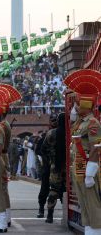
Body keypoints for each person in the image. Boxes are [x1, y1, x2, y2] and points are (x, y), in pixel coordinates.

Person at [65, 69, 101, 234]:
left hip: (86, 167)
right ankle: (89, 230)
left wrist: (90, 173)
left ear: (85, 104)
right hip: (78, 166)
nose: (75, 106)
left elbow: (96, 148)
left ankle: (95, 231)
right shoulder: (81, 122)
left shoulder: (93, 123)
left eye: (77, 103)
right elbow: (72, 121)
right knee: (83, 202)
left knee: (92, 203)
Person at [44, 113, 66, 223]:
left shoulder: (51, 133)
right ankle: (68, 214)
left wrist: (50, 159)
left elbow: (44, 149)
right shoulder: (71, 132)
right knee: (68, 190)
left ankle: (50, 215)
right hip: (68, 166)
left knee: (53, 190)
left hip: (55, 166)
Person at [36, 114, 58, 219]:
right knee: (45, 188)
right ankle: (41, 209)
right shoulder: (46, 136)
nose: (54, 122)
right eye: (52, 120)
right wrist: (47, 159)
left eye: (55, 120)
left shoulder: (62, 134)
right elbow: (39, 150)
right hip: (48, 167)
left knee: (60, 190)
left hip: (59, 168)